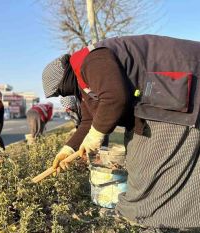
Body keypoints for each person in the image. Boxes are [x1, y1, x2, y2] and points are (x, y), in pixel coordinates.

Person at [42, 35, 200, 229]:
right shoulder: (83, 80)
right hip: (161, 99)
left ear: (64, 79)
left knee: (153, 170)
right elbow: (89, 119)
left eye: (60, 91)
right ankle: (152, 219)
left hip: (177, 91)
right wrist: (67, 149)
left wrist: (96, 135)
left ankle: (155, 224)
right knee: (138, 162)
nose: (63, 96)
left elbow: (114, 98)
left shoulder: (92, 61)